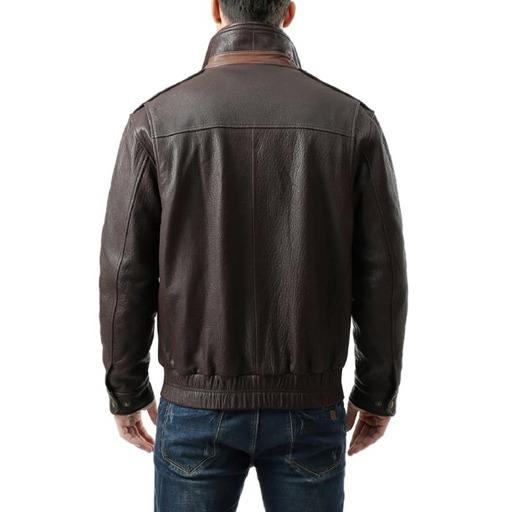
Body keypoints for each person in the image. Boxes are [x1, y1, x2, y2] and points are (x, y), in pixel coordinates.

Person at [98, 1, 408, 510]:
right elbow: (383, 276)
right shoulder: (352, 122)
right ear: (289, 12)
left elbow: (124, 272)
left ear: (216, 9)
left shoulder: (154, 122)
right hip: (310, 405)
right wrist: (377, 391)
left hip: (195, 405)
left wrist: (126, 388)